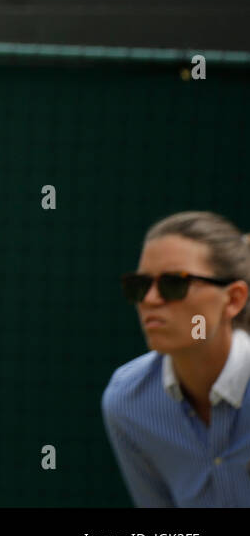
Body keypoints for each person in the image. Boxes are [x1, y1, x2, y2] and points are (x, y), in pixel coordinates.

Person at [102, 210, 250, 507]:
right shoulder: (127, 400)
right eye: (139, 285)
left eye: (174, 283)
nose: (150, 300)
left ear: (233, 299)